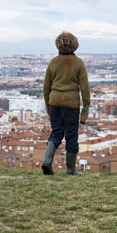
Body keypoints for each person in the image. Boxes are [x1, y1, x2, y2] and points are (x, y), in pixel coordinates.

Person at [42, 32, 90, 176]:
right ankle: (70, 169)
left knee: (56, 132)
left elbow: (46, 87)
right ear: (75, 45)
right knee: (71, 135)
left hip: (55, 102)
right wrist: (85, 111)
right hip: (71, 105)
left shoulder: (53, 62)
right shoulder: (78, 63)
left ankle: (47, 161)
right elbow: (85, 88)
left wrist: (48, 106)